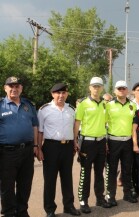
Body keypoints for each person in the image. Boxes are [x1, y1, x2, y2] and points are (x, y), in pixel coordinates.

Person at [37, 83, 81, 217]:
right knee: (50, 180)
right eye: (58, 93)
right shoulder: (44, 110)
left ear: (67, 94)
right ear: (52, 94)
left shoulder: (72, 110)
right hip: (51, 147)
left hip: (67, 147)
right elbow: (40, 131)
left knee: (67, 178)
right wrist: (39, 148)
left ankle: (69, 206)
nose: (61, 96)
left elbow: (74, 129)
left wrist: (74, 142)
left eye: (63, 93)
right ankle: (50, 209)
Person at [0, 76, 39, 217]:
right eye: (11, 86)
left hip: (27, 151)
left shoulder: (29, 105)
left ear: (21, 89)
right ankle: (8, 213)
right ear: (5, 88)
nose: (14, 89)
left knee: (25, 184)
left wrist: (35, 145)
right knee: (7, 186)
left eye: (17, 86)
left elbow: (35, 125)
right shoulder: (1, 105)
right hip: (7, 152)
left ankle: (22, 211)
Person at [74, 77, 111, 214]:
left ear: (102, 88)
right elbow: (77, 123)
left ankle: (100, 198)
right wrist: (75, 140)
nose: (96, 88)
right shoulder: (83, 103)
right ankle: (83, 201)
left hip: (101, 141)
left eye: (99, 86)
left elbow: (105, 123)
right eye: (94, 86)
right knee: (85, 172)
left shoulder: (104, 104)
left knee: (99, 172)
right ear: (90, 88)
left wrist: (106, 142)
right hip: (87, 142)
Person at [105, 80, 138, 206]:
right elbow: (103, 124)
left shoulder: (132, 105)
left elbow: (134, 127)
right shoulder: (109, 105)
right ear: (115, 91)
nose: (121, 90)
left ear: (127, 90)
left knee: (127, 169)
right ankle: (111, 196)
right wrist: (106, 141)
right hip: (113, 141)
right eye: (119, 88)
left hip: (128, 142)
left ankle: (127, 194)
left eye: (124, 88)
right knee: (112, 170)